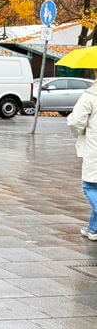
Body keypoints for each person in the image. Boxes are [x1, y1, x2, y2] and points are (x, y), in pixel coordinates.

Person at [67, 80, 97, 240]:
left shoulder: (90, 96)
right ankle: (93, 229)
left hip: (95, 148)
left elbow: (75, 122)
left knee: (90, 186)